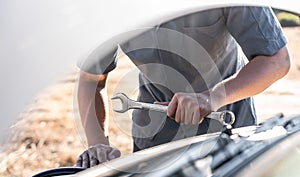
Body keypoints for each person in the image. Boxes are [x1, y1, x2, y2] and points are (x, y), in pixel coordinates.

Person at [76, 6, 290, 168]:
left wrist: (212, 97)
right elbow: (90, 80)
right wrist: (97, 142)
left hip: (230, 130)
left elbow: (276, 60)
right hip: (154, 141)